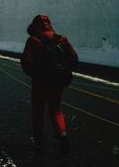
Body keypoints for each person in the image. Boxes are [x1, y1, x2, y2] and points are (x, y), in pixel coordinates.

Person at [21, 15, 78, 154]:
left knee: (38, 111)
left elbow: (26, 62)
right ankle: (62, 134)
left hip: (40, 83)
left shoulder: (33, 40)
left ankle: (38, 141)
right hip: (57, 82)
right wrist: (63, 71)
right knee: (56, 109)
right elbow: (74, 59)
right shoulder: (62, 39)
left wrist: (35, 74)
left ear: (34, 26)